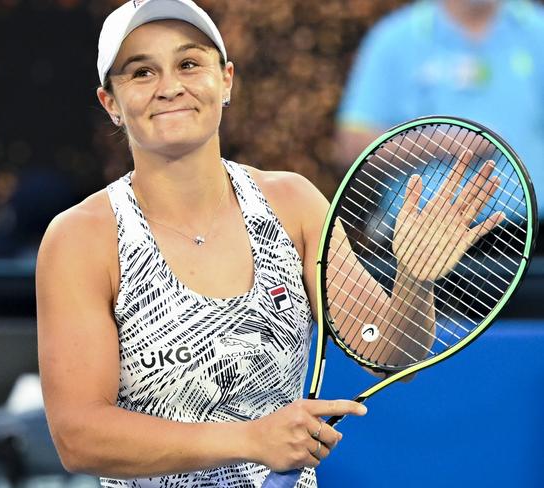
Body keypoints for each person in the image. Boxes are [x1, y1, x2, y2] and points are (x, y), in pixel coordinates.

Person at [36, 1, 503, 486]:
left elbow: (390, 356)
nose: (170, 86)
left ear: (227, 81)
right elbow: (79, 436)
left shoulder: (292, 203)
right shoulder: (81, 238)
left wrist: (412, 279)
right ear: (111, 102)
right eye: (141, 72)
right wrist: (251, 440)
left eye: (189, 63)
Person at [335, 0, 544, 216]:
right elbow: (352, 147)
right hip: (420, 241)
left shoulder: (538, 29)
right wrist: (440, 142)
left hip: (534, 233)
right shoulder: (395, 39)